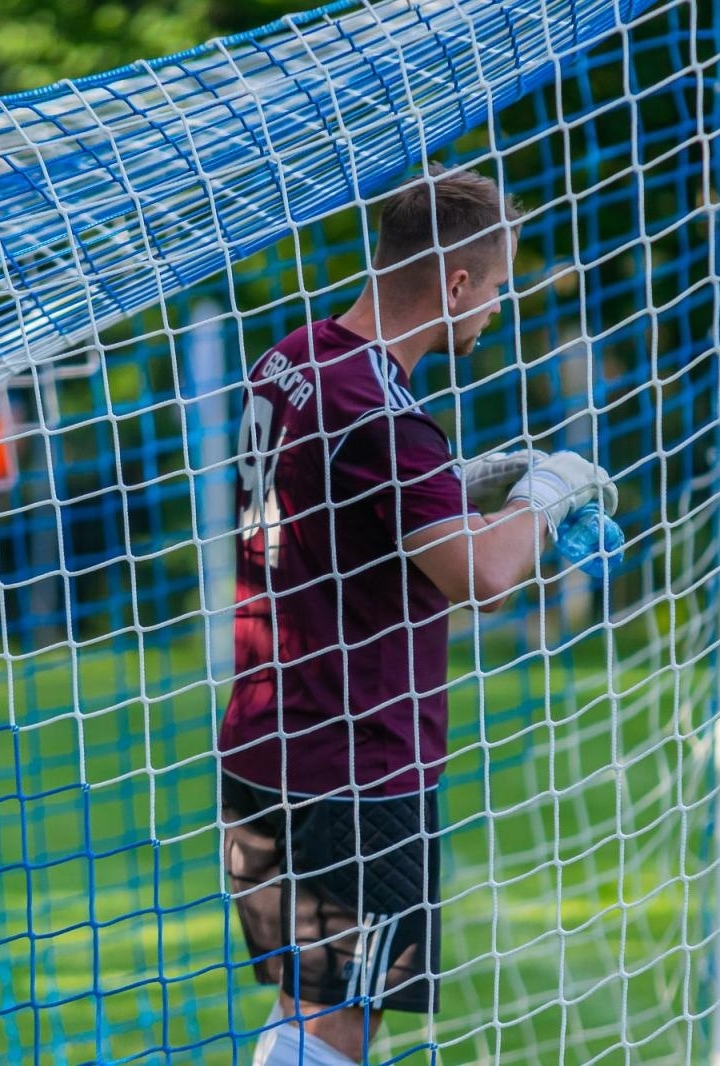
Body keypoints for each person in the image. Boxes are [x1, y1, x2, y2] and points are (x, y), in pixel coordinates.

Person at [217, 165, 617, 1066]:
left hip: (262, 739)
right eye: (499, 288)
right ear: (456, 283)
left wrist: (459, 486)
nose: (497, 311)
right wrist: (553, 489)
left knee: (300, 1003)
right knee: (340, 1024)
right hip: (354, 762)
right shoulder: (385, 414)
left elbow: (349, 514)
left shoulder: (293, 358)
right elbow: (483, 573)